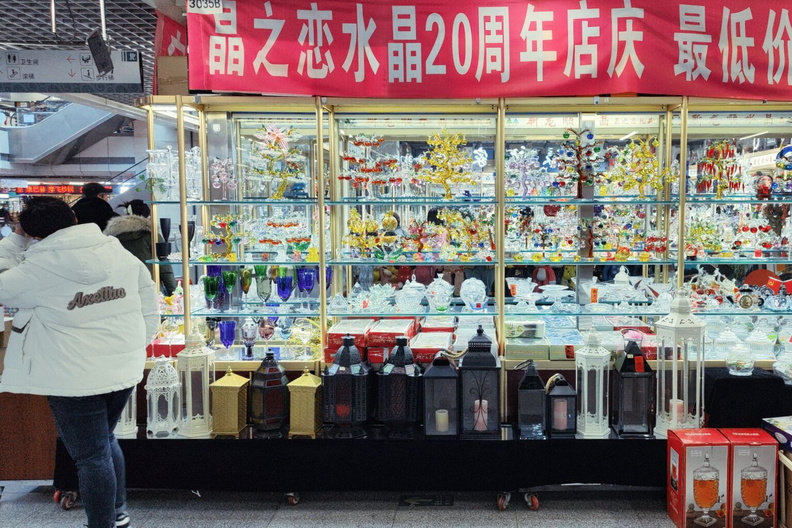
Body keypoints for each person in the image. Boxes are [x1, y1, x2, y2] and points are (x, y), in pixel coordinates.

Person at [0, 197, 159, 528]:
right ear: (73, 217)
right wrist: (136, 347)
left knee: (91, 455)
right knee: (104, 441)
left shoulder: (37, 268)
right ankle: (116, 513)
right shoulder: (114, 251)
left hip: (71, 374)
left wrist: (15, 240)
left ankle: (103, 523)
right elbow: (149, 301)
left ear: (29, 231)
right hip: (122, 366)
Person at [105, 199, 178, 296]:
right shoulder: (152, 236)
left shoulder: (111, 238)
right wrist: (174, 294)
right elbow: (165, 269)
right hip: (150, 290)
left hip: (121, 292)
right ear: (147, 217)